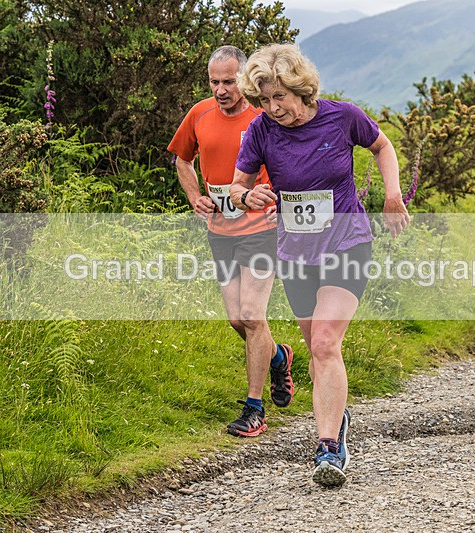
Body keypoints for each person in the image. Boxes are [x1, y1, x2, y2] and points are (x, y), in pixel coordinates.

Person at [229, 43, 410, 486]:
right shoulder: (260, 131)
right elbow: (238, 187)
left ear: (300, 88)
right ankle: (338, 414)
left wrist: (391, 194)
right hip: (295, 254)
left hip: (348, 244)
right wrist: (247, 196)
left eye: (280, 98)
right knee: (315, 350)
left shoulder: (343, 116)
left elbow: (383, 147)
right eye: (264, 100)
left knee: (326, 343)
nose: (273, 108)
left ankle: (329, 446)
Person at [167, 45, 294, 438]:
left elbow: (290, 160)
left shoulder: (262, 116)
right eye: (214, 81)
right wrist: (194, 197)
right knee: (237, 319)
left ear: (243, 79)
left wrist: (277, 198)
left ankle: (254, 409)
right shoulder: (199, 114)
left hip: (260, 229)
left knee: (253, 315)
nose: (221, 89)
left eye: (228, 81)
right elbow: (182, 160)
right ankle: (278, 355)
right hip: (220, 231)